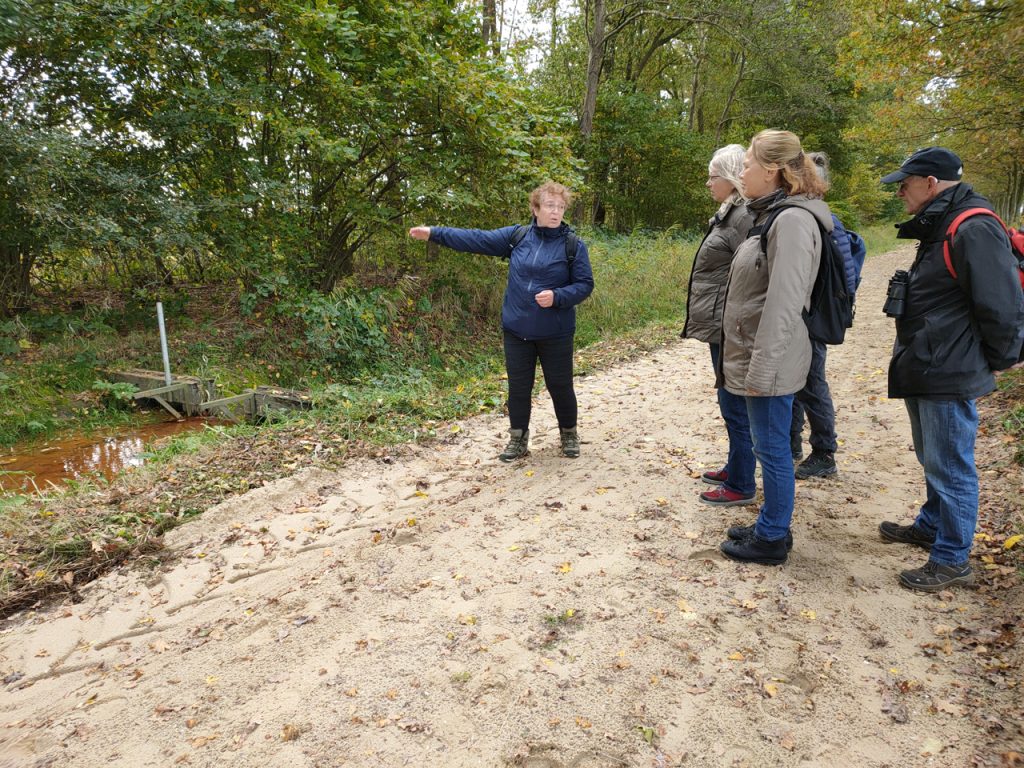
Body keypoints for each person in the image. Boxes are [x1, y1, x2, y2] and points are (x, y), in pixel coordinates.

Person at [877, 147, 1024, 591]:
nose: (900, 190)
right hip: (931, 361)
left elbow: (1001, 306)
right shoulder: (944, 221)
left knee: (951, 465)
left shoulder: (972, 227)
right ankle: (931, 525)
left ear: (932, 182)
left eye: (905, 182)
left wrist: (996, 362)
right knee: (933, 456)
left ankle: (951, 558)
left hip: (950, 367)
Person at [408, 181, 595, 462]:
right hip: (517, 330)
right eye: (549, 206)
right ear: (535, 208)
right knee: (518, 387)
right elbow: (476, 239)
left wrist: (558, 296)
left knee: (560, 385)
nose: (556, 212)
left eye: (560, 207)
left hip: (555, 332)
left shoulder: (573, 245)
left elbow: (585, 284)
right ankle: (518, 439)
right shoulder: (517, 237)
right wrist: (435, 234)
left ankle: (568, 433)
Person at [716, 129, 833, 565]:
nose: (742, 171)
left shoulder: (794, 221)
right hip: (758, 355)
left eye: (747, 163)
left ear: (772, 170)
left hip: (770, 360)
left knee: (774, 451)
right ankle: (770, 524)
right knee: (771, 447)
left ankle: (770, 539)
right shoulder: (775, 214)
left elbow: (784, 303)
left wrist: (761, 370)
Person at [680, 145, 756, 507]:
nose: (708, 182)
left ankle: (742, 482)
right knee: (729, 401)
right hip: (720, 324)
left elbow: (752, 272)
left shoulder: (743, 217)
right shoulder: (729, 213)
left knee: (735, 404)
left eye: (713, 176)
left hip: (730, 326)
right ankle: (736, 466)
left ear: (730, 178)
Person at [789, 152, 867, 479]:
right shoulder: (824, 220)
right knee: (794, 383)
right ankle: (792, 442)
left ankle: (825, 452)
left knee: (810, 383)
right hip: (810, 317)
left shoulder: (822, 223)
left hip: (811, 320)